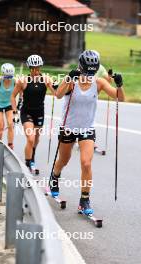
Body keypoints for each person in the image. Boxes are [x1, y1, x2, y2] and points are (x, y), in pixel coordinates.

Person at [49, 50, 125, 215]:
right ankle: (54, 176)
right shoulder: (72, 81)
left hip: (87, 129)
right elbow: (58, 95)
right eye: (87, 71)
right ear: (81, 67)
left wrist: (120, 85)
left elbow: (120, 97)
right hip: (68, 128)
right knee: (64, 160)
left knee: (86, 163)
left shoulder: (98, 83)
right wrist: (69, 78)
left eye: (92, 72)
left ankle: (84, 200)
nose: (89, 76)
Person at [11, 54, 56, 174]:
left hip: (39, 112)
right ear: (29, 67)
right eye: (32, 67)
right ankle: (27, 166)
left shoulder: (46, 79)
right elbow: (12, 96)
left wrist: (56, 84)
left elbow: (57, 93)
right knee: (30, 139)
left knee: (36, 138)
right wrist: (15, 112)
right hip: (27, 112)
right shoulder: (23, 81)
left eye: (37, 67)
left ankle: (32, 158)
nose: (35, 70)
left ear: (40, 67)